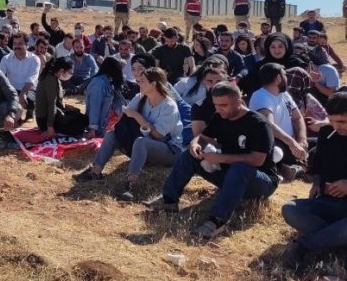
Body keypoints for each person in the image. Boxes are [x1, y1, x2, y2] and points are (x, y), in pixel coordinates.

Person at [149, 82, 278, 240]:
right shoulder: (220, 117)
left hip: (260, 181)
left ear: (238, 101)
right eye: (216, 105)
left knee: (240, 168)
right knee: (189, 155)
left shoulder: (259, 124)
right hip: (230, 174)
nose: (219, 109)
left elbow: (257, 160)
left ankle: (216, 221)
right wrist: (195, 144)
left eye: (223, 105)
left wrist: (221, 158)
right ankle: (169, 200)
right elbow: (203, 137)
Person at [75, 67, 183, 201]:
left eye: (143, 81)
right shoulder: (140, 98)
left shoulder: (169, 106)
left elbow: (158, 135)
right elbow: (126, 115)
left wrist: (137, 116)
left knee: (140, 142)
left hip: (168, 150)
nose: (138, 83)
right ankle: (95, 171)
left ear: (154, 84)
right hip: (144, 143)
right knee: (111, 135)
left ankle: (130, 185)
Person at [281, 92, 347, 269]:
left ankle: (304, 246)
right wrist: (316, 183)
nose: (336, 126)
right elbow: (316, 165)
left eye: (341, 122)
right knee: (290, 209)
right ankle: (335, 238)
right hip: (327, 202)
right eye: (332, 120)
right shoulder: (327, 132)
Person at [0, 33, 40, 122]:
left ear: (27, 45)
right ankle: (16, 116)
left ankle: (30, 112)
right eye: (15, 44)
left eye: (20, 43)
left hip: (29, 89)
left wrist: (22, 94)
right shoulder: (6, 59)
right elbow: (0, 76)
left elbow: (31, 80)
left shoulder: (34, 59)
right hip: (12, 89)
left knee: (31, 100)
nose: (17, 46)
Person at [84, 57, 125, 139]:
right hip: (96, 127)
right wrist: (92, 128)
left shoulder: (108, 82)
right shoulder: (99, 83)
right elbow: (94, 107)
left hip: (103, 125)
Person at [35, 57, 73, 135]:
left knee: (77, 115)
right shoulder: (50, 80)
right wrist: (50, 126)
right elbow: (51, 103)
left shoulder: (54, 77)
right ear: (62, 70)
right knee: (81, 122)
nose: (70, 74)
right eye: (69, 72)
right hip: (45, 120)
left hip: (51, 115)